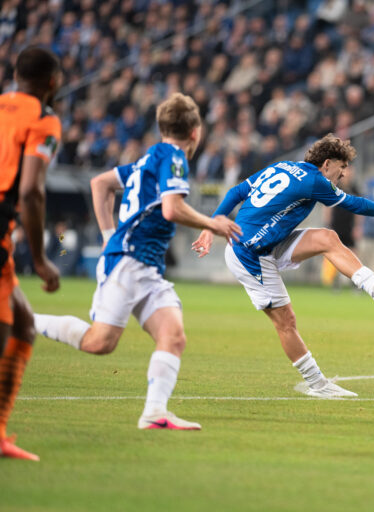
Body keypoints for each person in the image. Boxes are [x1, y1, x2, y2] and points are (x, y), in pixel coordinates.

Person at [34, 93, 242, 431]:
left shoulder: (149, 159)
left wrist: (107, 235)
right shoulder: (173, 157)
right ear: (195, 132)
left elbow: (100, 183)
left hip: (144, 265)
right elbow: (171, 209)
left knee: (173, 336)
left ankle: (154, 413)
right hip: (129, 262)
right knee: (99, 343)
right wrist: (212, 222)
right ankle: (25, 319)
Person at [192, 134, 374, 398]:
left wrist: (211, 225)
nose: (344, 173)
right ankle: (317, 384)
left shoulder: (283, 166)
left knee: (327, 238)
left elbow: (236, 191)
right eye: (342, 167)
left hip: (270, 242)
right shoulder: (314, 180)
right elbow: (353, 203)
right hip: (248, 252)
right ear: (328, 163)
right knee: (286, 322)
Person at [0, 47, 62, 461]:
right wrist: (40, 258)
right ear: (52, 81)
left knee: (23, 324)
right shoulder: (43, 119)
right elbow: (31, 191)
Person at [321, 165, 362, 288]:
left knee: (353, 254)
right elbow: (327, 207)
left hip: (349, 226)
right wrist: (328, 225)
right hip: (336, 226)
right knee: (336, 254)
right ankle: (336, 282)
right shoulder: (334, 188)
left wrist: (358, 227)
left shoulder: (355, 190)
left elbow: (359, 210)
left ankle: (356, 283)